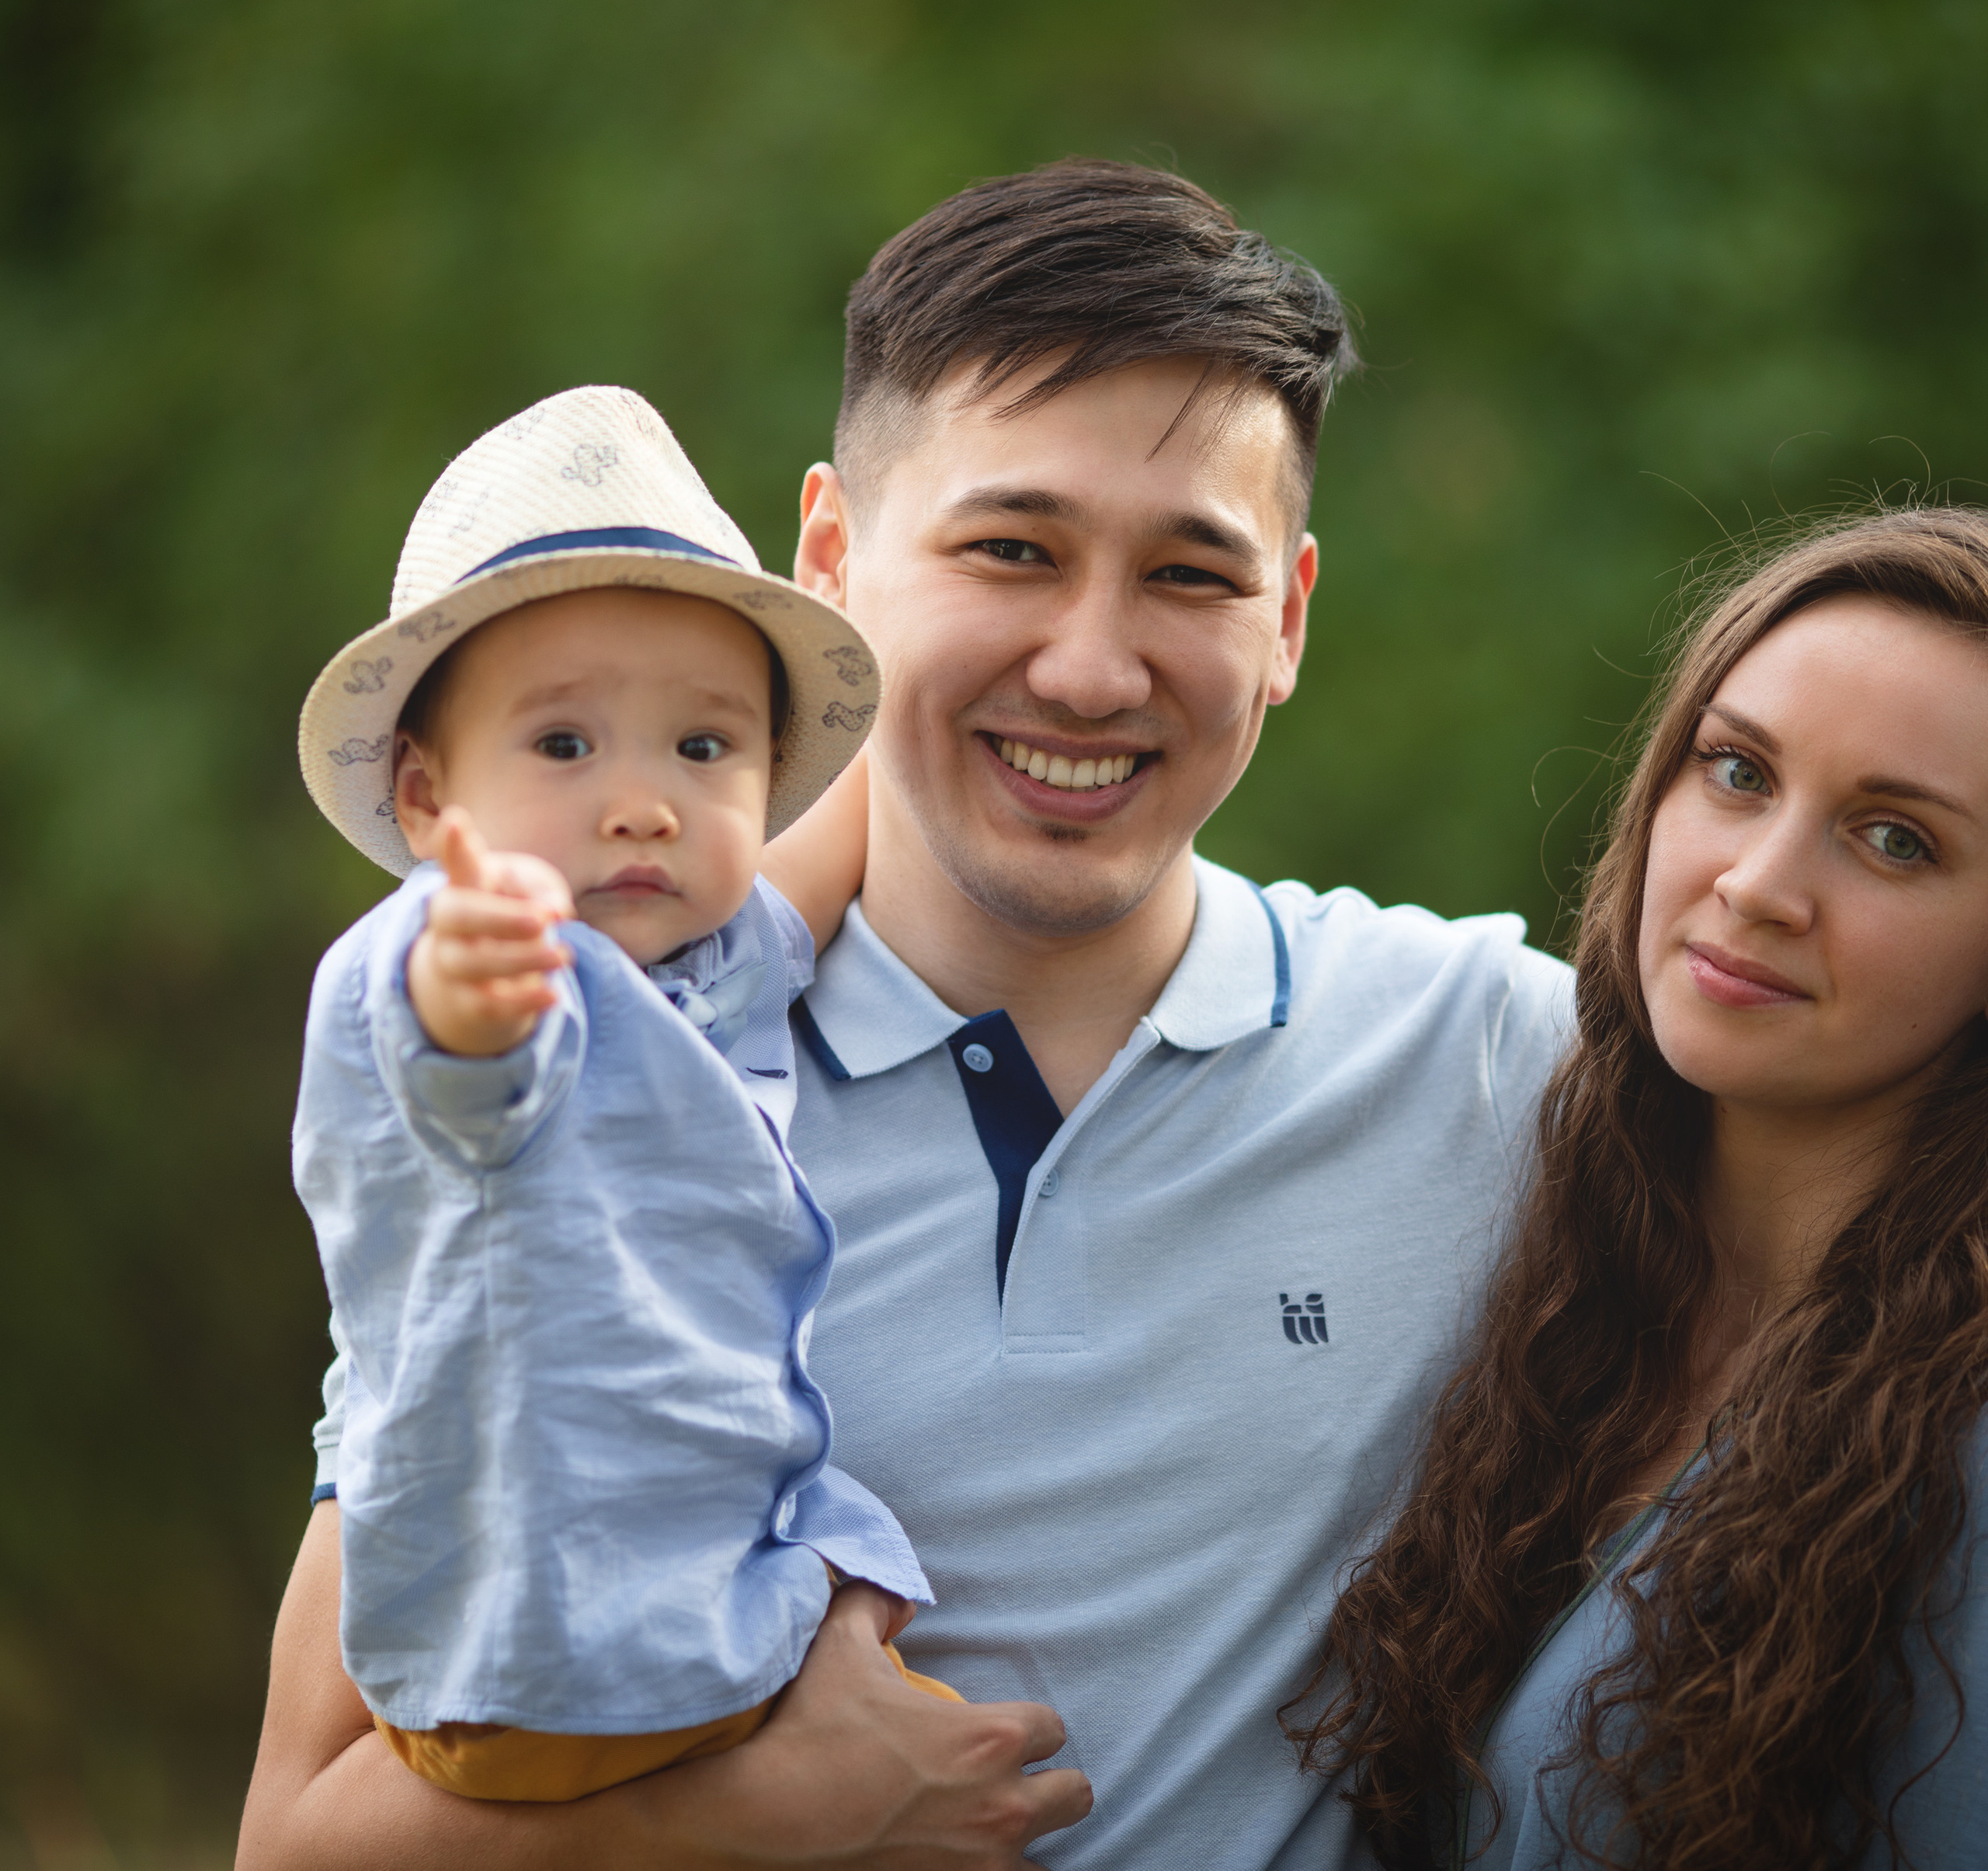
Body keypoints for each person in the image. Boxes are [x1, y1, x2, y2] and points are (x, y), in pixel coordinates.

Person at [238, 160, 1572, 1870]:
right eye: (1010, 549)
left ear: (1289, 617)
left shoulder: (1481, 1058)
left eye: (1189, 576)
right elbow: (291, 1834)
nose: (1091, 668)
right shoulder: (579, 1106)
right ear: (832, 555)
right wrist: (754, 1811)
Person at [1289, 508, 1988, 1870]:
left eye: (1897, 840)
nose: (1760, 882)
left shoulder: (1962, 1442)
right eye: (1737, 771)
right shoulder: (1566, 1258)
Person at [291, 384, 956, 1805]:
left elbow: (826, 862)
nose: (643, 802)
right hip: (540, 1629)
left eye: (703, 748)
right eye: (564, 746)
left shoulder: (720, 952)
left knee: (881, 1603)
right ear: (424, 801)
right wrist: (472, 996)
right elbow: (455, 1075)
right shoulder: (448, 954)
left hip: (709, 1588)